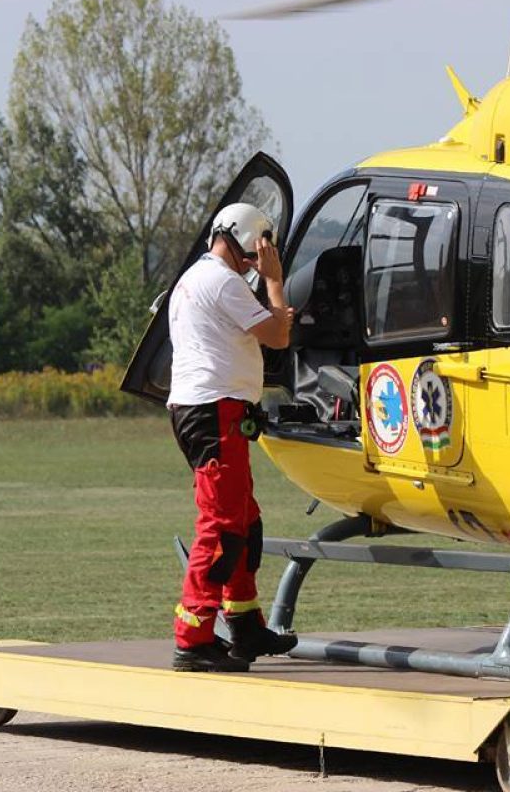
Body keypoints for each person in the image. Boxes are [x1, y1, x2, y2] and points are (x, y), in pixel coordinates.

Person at [167, 201, 297, 673]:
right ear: (247, 241)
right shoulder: (223, 281)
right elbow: (279, 334)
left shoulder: (199, 278)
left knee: (244, 520)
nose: (258, 260)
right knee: (222, 526)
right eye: (258, 251)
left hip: (211, 410)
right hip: (213, 412)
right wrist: (276, 281)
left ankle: (243, 625)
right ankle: (193, 639)